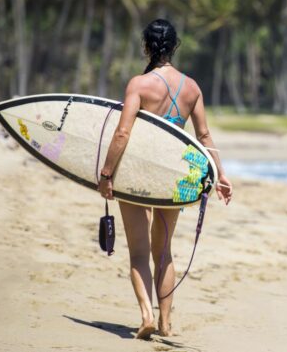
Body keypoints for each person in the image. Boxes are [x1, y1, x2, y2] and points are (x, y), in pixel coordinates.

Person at [97, 18, 233, 339]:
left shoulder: (139, 85)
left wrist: (106, 174)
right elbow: (204, 135)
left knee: (140, 253)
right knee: (164, 252)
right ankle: (166, 324)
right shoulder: (192, 88)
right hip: (174, 179)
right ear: (174, 46)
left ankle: (146, 315)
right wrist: (220, 174)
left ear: (147, 47)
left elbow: (123, 131)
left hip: (137, 175)